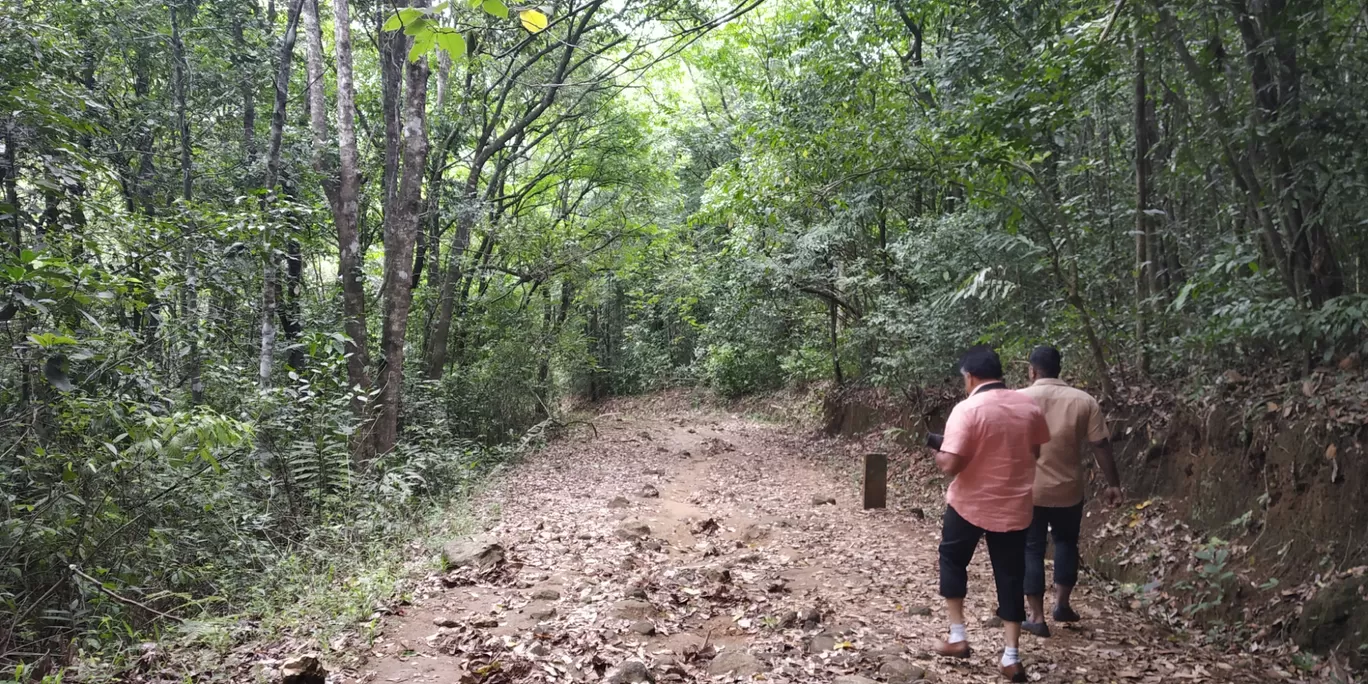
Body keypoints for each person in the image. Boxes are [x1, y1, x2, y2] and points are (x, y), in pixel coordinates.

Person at [928, 345, 1050, 683]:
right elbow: (1035, 452)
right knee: (1010, 575)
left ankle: (958, 637)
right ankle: (1011, 656)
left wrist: (939, 453)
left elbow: (951, 464)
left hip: (969, 503)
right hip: (1014, 505)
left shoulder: (967, 409)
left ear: (970, 377)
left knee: (952, 559)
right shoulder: (1029, 406)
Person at [1016, 345, 1123, 638]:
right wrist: (1113, 483)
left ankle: (1036, 617)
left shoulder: (1016, 400)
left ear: (1032, 371)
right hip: (1068, 490)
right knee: (1065, 543)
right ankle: (1062, 605)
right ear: (1059, 370)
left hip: (1028, 491)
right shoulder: (1083, 401)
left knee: (1031, 548)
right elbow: (1100, 444)